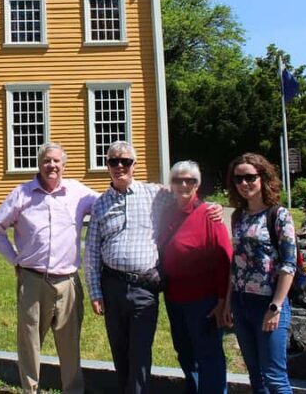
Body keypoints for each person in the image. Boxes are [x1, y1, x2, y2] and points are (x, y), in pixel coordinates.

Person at [85, 141, 223, 394]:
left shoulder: (155, 195)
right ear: (107, 166)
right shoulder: (100, 204)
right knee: (119, 349)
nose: (119, 166)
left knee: (139, 351)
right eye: (113, 161)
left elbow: (186, 193)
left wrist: (211, 207)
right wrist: (95, 291)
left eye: (125, 161)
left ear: (134, 165)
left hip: (144, 288)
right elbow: (92, 250)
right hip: (111, 286)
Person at [0, 142, 98, 394]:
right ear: (39, 164)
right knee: (30, 343)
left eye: (57, 161)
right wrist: (14, 259)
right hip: (33, 280)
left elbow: (107, 203)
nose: (52, 166)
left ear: (64, 165)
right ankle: (30, 390)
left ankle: (73, 390)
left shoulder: (78, 193)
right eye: (47, 160)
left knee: (70, 345)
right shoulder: (22, 194)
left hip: (68, 281)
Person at [221, 153, 296, 394]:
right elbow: (236, 263)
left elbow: (289, 264)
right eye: (238, 179)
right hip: (242, 304)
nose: (244, 183)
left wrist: (276, 306)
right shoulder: (238, 217)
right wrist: (229, 303)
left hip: (269, 303)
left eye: (250, 177)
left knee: (274, 377)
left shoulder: (278, 215)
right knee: (256, 376)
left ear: (263, 178)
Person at [157, 160, 232, 394]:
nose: (183, 184)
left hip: (204, 300)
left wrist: (223, 301)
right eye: (178, 180)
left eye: (190, 180)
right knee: (185, 352)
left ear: (197, 184)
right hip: (174, 297)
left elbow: (225, 261)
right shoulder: (166, 211)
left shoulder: (210, 214)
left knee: (208, 354)